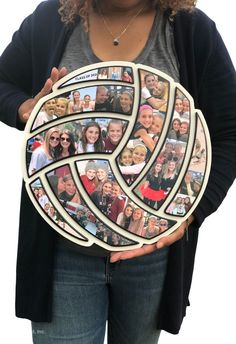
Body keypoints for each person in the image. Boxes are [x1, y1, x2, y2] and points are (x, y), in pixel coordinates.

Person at [0, 1, 235, 344]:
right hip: (61, 254)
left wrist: (191, 214)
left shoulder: (191, 29)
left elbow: (228, 131)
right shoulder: (51, 17)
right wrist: (26, 109)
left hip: (153, 257)